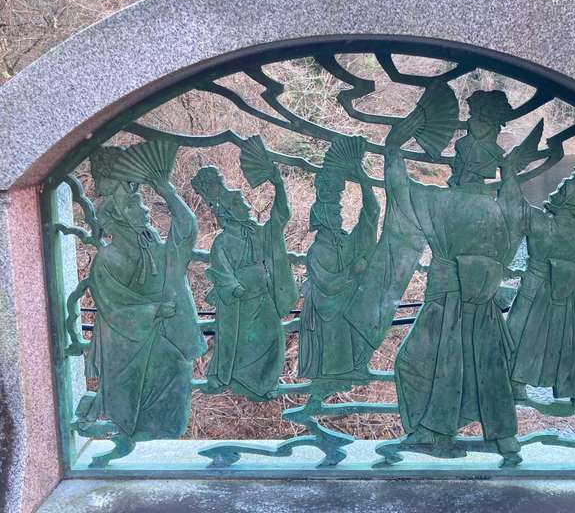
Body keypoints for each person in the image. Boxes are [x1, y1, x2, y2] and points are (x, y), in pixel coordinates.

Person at [381, 89, 539, 466]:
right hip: (481, 304)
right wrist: (510, 172)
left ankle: (437, 434)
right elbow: (517, 226)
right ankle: (501, 438)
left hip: (446, 303)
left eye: (459, 158)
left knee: (417, 364)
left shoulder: (442, 202)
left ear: (463, 165)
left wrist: (393, 147)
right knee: (486, 369)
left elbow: (401, 191)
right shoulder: (500, 209)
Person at [82, 155, 205, 443]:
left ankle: (163, 441)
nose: (146, 209)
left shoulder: (155, 248)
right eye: (136, 205)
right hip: (127, 345)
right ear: (118, 217)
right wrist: (152, 311)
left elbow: (187, 229)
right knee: (137, 408)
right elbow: (112, 309)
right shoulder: (107, 260)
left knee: (177, 369)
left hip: (165, 337)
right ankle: (134, 437)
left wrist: (167, 190)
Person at [508, 132, 575, 409]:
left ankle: (519, 384)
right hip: (561, 289)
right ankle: (572, 391)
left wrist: (511, 171)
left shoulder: (545, 222)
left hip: (545, 288)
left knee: (527, 334)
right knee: (561, 337)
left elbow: (513, 204)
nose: (564, 188)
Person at [192, 163, 297, 400]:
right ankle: (231, 379)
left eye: (245, 202)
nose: (248, 207)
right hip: (237, 303)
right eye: (241, 204)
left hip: (262, 297)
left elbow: (280, 217)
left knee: (274, 337)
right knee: (233, 343)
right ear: (230, 211)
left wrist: (279, 184)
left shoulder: (258, 233)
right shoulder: (223, 242)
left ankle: (265, 383)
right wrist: (234, 287)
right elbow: (221, 270)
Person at [298, 157, 379, 399]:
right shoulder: (317, 251)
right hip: (326, 319)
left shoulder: (345, 242)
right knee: (328, 372)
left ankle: (322, 398)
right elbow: (327, 285)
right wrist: (351, 272)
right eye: (335, 212)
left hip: (344, 315)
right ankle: (315, 401)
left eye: (339, 211)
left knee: (342, 368)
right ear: (324, 217)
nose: (340, 216)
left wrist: (362, 177)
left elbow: (371, 214)